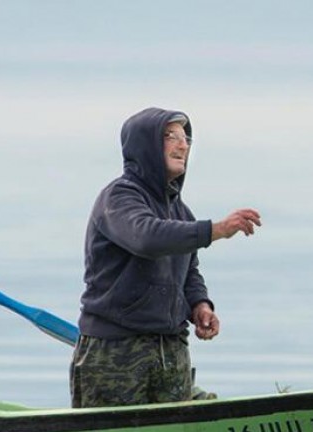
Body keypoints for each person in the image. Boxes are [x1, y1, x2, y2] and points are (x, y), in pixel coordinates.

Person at [70, 107, 262, 408]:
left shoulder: (181, 212)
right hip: (116, 349)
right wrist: (218, 230)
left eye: (185, 137)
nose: (182, 144)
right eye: (169, 136)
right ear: (144, 146)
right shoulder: (119, 198)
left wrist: (200, 304)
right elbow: (146, 237)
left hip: (172, 349)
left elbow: (189, 271)